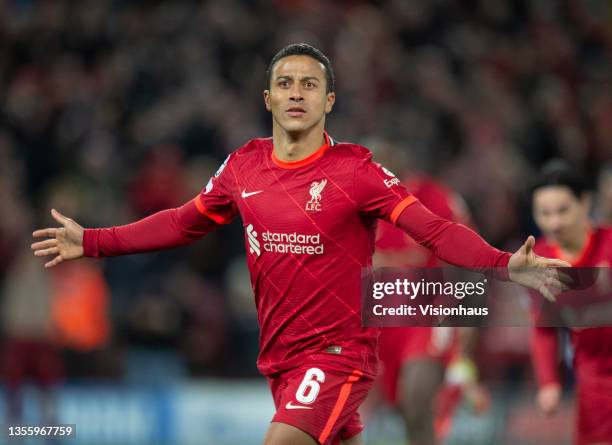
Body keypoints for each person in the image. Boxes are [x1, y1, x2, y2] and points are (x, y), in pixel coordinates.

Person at [32, 43, 569, 445]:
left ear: (329, 100)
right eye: (285, 82)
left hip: (339, 356)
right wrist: (94, 241)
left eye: (309, 84)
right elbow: (182, 222)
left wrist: (503, 267)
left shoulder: (357, 172)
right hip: (281, 358)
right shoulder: (243, 166)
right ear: (267, 96)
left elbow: (434, 230)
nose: (295, 92)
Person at [374, 173, 488, 445]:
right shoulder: (355, 204)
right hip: (383, 324)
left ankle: (457, 380)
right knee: (405, 410)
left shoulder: (436, 199)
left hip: (431, 313)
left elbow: (471, 257)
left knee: (414, 395)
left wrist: (468, 316)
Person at [530, 160, 612, 445]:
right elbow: (544, 328)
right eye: (545, 213)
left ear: (584, 203)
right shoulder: (537, 262)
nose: (554, 222)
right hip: (593, 381)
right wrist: (548, 382)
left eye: (563, 210)